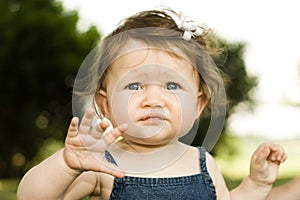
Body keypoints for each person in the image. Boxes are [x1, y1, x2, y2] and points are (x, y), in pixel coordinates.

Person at [17, 7, 287, 200]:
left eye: (172, 86)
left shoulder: (203, 162)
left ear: (198, 105)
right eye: (134, 86)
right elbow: (30, 196)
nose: (153, 100)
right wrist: (67, 164)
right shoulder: (101, 166)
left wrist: (257, 183)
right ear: (107, 104)